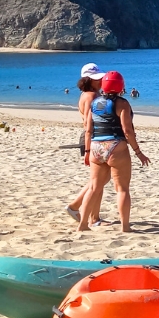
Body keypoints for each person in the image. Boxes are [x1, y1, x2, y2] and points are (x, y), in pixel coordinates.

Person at [80, 71, 150, 232]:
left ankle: (83, 224)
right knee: (122, 188)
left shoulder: (94, 102)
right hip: (116, 146)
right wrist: (138, 152)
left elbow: (88, 130)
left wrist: (87, 151)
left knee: (94, 188)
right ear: (121, 86)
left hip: (96, 147)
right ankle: (125, 227)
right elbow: (127, 131)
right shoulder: (122, 104)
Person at [65, 64, 105, 224]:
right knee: (98, 181)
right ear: (88, 80)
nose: (101, 80)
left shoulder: (86, 94)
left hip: (91, 138)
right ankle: (77, 208)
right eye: (97, 79)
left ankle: (93, 216)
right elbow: (90, 124)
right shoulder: (91, 96)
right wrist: (88, 150)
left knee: (99, 180)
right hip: (94, 138)